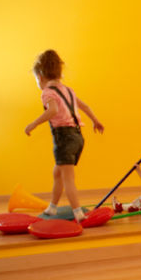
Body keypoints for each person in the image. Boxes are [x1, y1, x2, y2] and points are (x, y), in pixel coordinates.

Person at [25, 49, 104, 222]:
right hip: (78, 137)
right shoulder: (68, 90)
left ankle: (78, 214)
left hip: (64, 138)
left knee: (68, 178)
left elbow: (52, 110)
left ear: (40, 76)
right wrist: (95, 121)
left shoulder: (47, 92)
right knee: (58, 173)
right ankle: (52, 207)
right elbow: (85, 106)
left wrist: (34, 124)